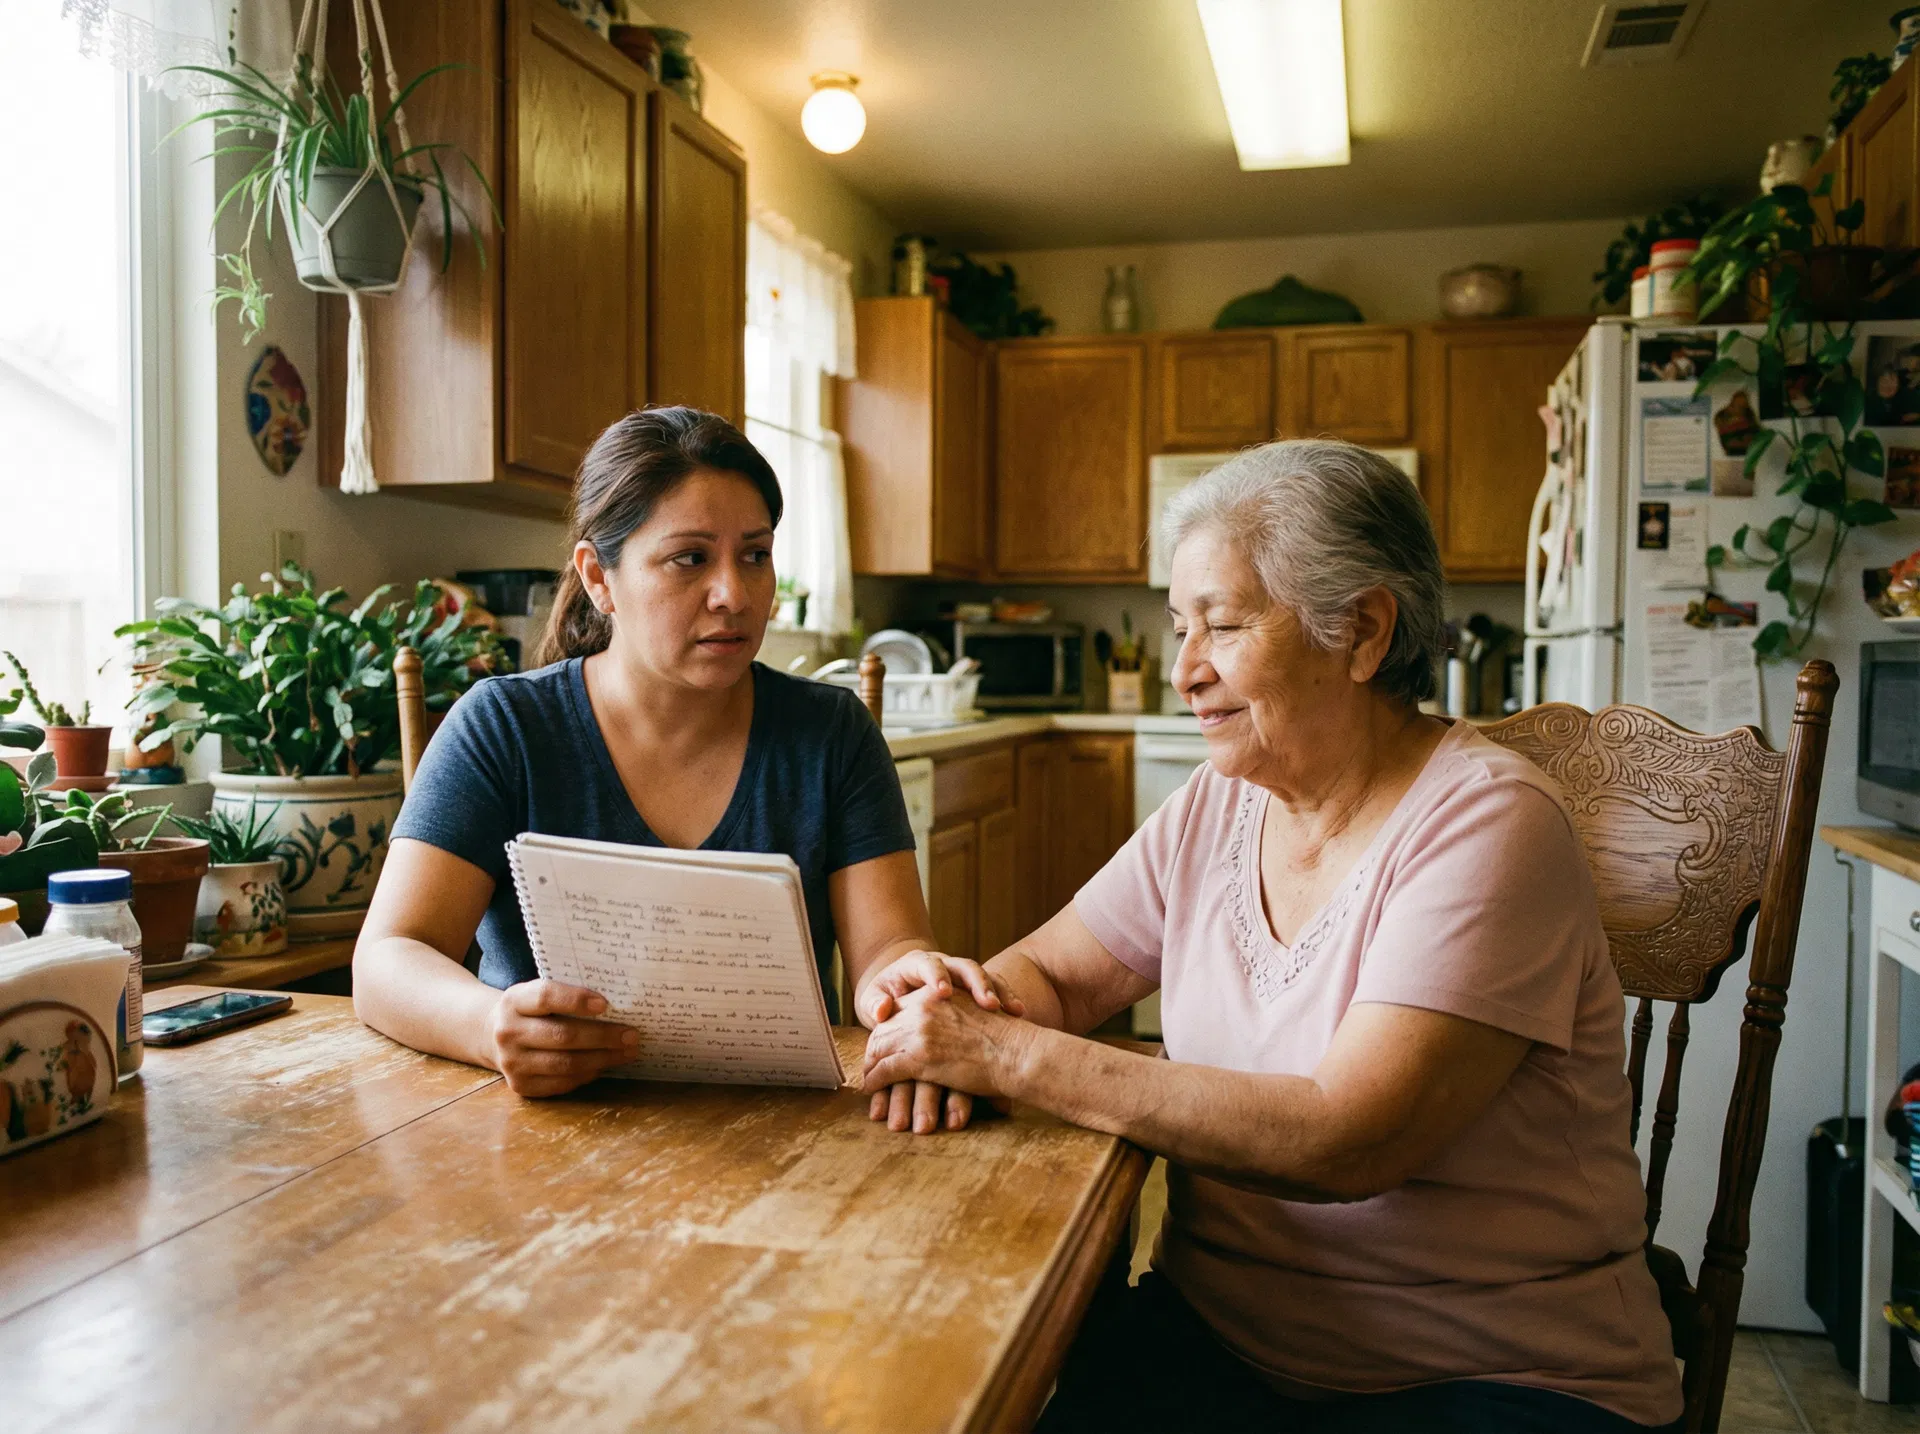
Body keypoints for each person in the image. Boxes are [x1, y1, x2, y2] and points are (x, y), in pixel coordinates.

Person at [858, 440, 1684, 1432]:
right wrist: (951, 1006)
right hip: (1221, 1340)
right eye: (1179, 629)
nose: (1185, 672)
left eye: (1224, 626)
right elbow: (1053, 975)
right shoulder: (1218, 801)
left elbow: (1345, 1141)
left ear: (1363, 632)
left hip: (1490, 1377)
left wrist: (1008, 1055)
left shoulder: (1490, 823)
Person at [354, 406, 1003, 1122]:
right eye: (690, 558)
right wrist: (487, 1027)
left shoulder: (832, 733)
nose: (735, 593)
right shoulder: (503, 728)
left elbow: (887, 946)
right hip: (543, 1130)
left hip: (781, 1130)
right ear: (599, 577)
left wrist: (904, 985)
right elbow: (387, 959)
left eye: (755, 554)